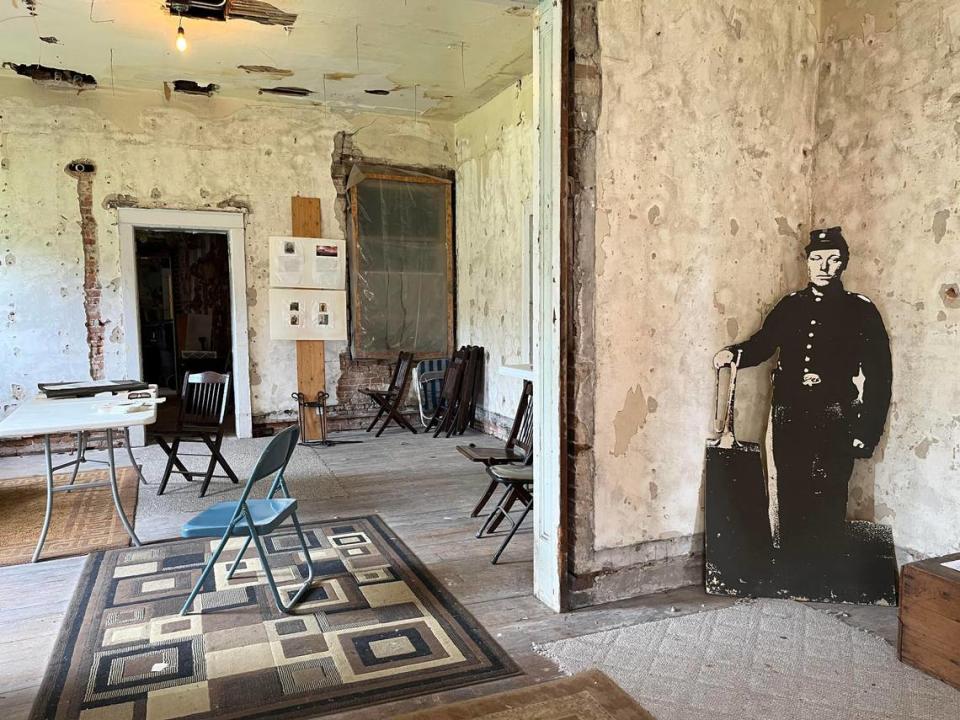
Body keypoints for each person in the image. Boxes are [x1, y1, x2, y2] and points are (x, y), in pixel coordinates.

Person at [713, 227, 892, 548]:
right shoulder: (791, 306)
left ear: (843, 264)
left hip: (835, 416)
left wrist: (867, 432)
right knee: (791, 489)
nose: (824, 266)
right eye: (817, 258)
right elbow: (764, 344)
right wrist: (735, 354)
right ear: (808, 263)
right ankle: (794, 567)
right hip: (789, 415)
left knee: (830, 491)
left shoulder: (861, 309)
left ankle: (823, 570)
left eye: (833, 259)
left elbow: (880, 376)